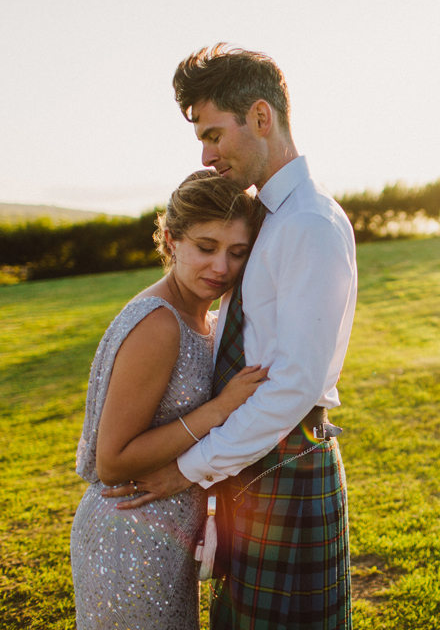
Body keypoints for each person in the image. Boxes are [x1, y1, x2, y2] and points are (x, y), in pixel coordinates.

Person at [104, 44, 358, 629]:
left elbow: (293, 384)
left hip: (287, 468)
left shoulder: (309, 223)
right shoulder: (268, 216)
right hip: (255, 471)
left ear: (261, 118)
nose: (205, 153)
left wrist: (189, 468)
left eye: (215, 134)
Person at [70, 171, 269, 629]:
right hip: (129, 537)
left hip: (167, 536)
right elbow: (112, 462)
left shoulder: (207, 318)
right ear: (171, 239)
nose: (221, 267)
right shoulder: (159, 325)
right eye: (206, 247)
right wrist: (218, 410)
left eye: (236, 253)